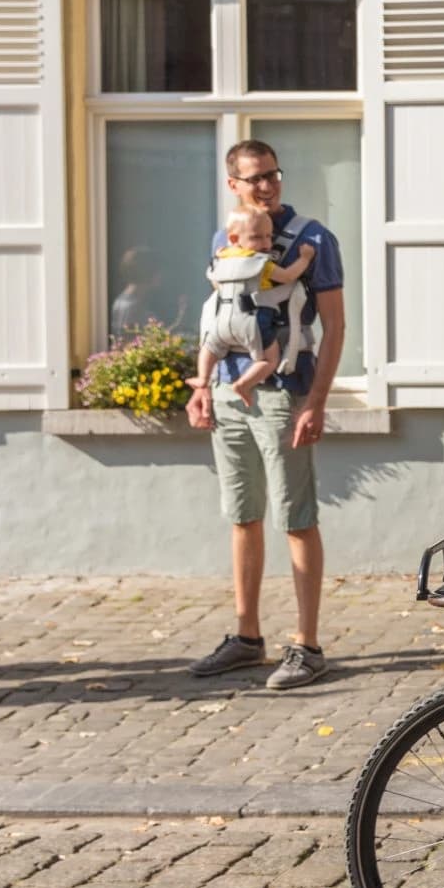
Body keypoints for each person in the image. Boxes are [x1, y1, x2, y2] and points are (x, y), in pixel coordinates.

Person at [185, 141, 347, 691]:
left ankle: (307, 646)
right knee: (242, 514)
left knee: (295, 517)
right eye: (254, 178)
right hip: (231, 391)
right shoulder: (226, 235)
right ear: (233, 183)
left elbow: (334, 327)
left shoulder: (313, 239)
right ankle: (247, 638)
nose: (267, 185)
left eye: (273, 175)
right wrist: (201, 385)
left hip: (284, 394)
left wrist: (317, 401)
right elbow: (218, 316)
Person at [198, 204, 320, 401]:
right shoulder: (261, 263)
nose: (266, 243)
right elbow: (288, 276)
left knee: (208, 348)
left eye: (269, 236)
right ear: (235, 239)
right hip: (253, 322)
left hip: (221, 323)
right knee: (270, 360)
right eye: (257, 237)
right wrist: (305, 259)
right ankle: (244, 384)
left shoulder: (222, 257)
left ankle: (202, 379)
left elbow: (215, 283)